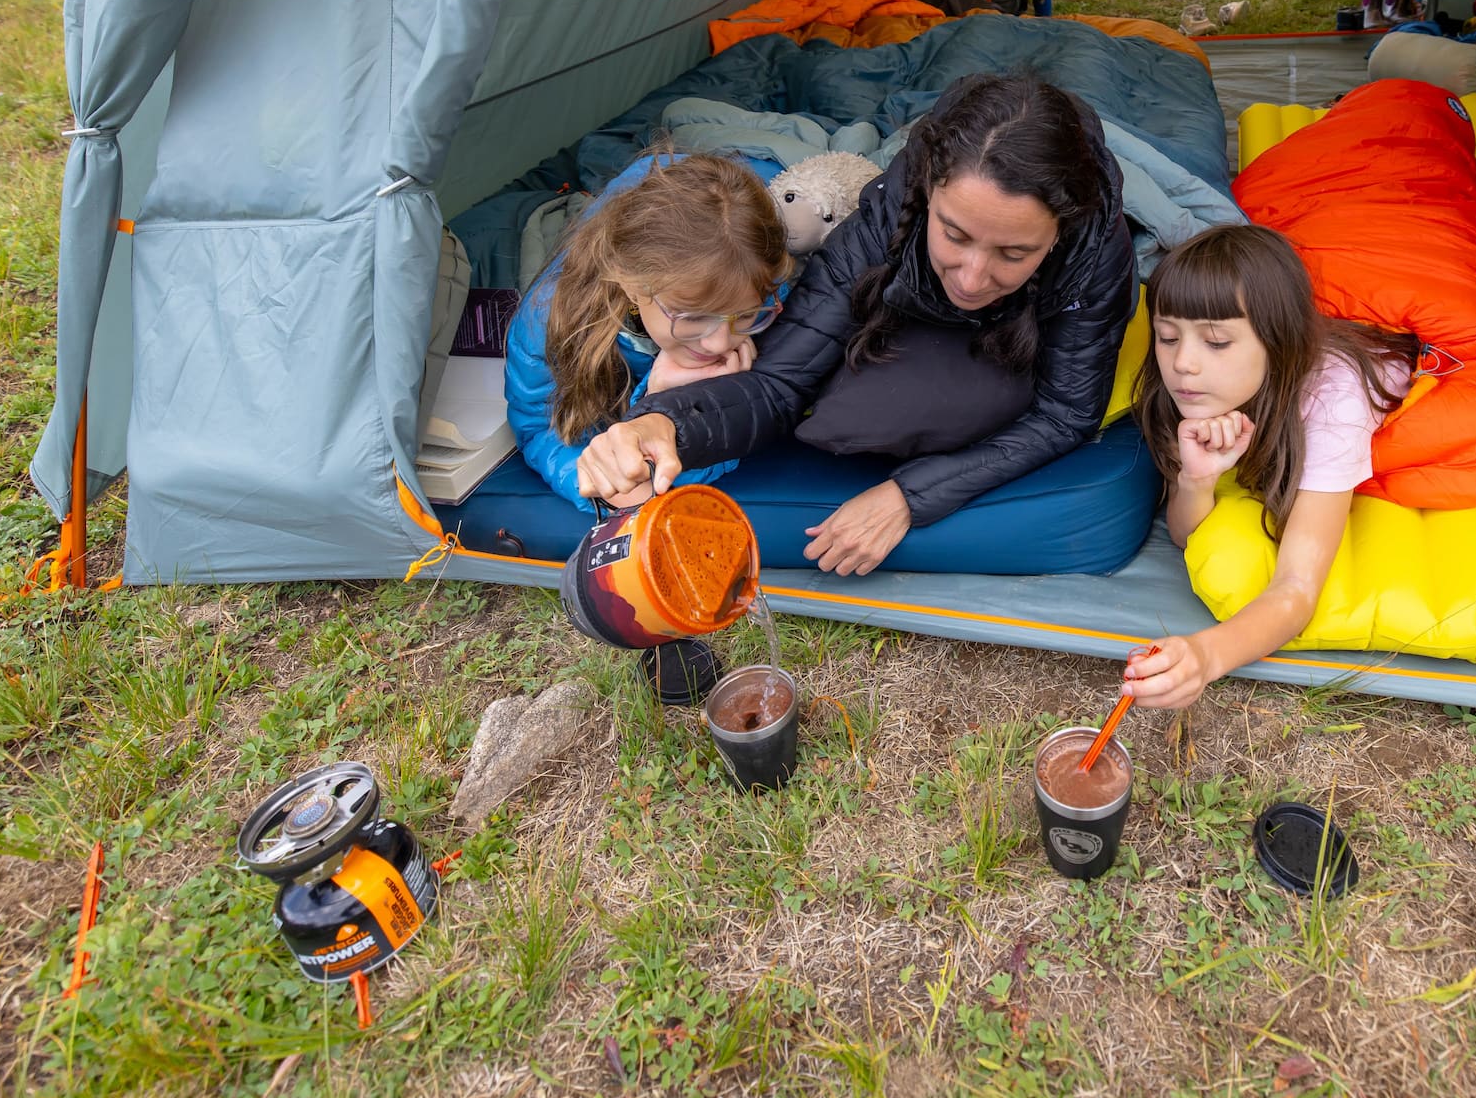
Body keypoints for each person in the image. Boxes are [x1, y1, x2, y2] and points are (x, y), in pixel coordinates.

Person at [595, 73, 1136, 574]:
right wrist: (662, 425)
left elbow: (1067, 413)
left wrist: (908, 495)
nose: (973, 278)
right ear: (927, 193)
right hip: (908, 315)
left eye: (1014, 253)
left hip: (1009, 343)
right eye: (955, 234)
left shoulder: (1094, 252)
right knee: (856, 407)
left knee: (946, 404)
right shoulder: (884, 218)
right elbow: (781, 381)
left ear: (1058, 234)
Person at [1120, 225, 1419, 709]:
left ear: (1276, 343)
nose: (1183, 364)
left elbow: (1297, 589)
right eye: (1167, 336)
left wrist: (1206, 654)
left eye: (1216, 342)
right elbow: (1182, 533)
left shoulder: (1333, 401)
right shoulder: (1184, 387)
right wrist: (1196, 478)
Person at [503, 152, 791, 510]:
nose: (720, 342)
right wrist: (611, 487)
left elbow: (761, 417)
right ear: (631, 285)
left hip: (767, 166)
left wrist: (676, 402)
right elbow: (539, 428)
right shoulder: (547, 321)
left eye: (745, 314)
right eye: (692, 316)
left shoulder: (766, 280)